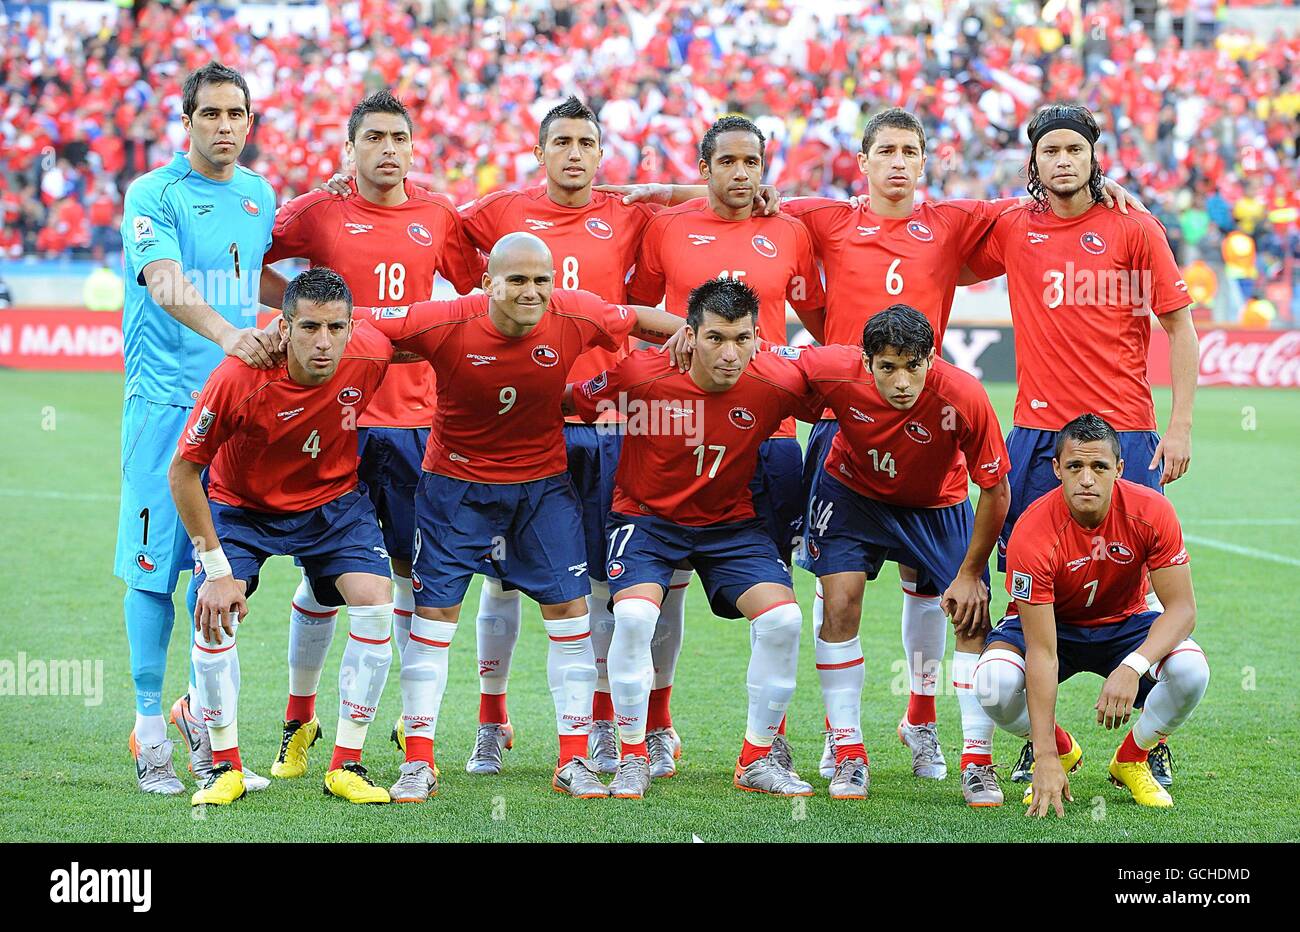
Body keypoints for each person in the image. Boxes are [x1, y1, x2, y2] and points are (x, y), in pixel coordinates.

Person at [358, 231, 686, 800]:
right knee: (434, 620)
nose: (530, 291)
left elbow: (633, 317)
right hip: (455, 490)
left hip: (542, 489)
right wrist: (280, 326)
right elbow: (359, 319)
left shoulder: (575, 313)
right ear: (487, 284)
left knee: (571, 615)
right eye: (516, 280)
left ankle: (573, 759)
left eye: (541, 280)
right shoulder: (445, 320)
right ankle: (418, 759)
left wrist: (689, 334)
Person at [962, 104, 1198, 786]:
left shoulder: (1135, 225)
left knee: (1141, 583)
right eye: (1049, 150)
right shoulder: (1011, 225)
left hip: (1125, 429)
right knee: (1030, 586)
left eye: (1074, 148)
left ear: (1097, 156)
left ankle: (1145, 740)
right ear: (1032, 161)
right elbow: (938, 245)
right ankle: (1046, 739)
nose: (1062, 159)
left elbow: (1179, 328)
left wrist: (1179, 425)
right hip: (1037, 438)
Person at [253, 89, 483, 781]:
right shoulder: (319, 210)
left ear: (413, 148)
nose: (388, 149)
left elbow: (476, 298)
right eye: (373, 137)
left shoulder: (438, 214)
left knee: (414, 576)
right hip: (332, 424)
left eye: (398, 138)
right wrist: (295, 318)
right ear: (348, 148)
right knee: (325, 583)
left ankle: (412, 722)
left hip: (413, 424)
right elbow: (242, 249)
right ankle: (300, 718)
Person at [623, 114, 826, 776]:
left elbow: (819, 319)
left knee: (775, 589)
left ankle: (770, 741)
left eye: (753, 163)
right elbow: (636, 311)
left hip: (769, 436)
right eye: (728, 162)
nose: (742, 173)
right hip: (683, 422)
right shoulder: (667, 226)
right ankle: (655, 728)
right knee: (668, 584)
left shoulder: (789, 229)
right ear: (703, 167)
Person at [564, 277, 820, 799]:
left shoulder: (775, 382)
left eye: (743, 339)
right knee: (635, 616)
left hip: (730, 526)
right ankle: (633, 754)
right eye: (716, 338)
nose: (731, 354)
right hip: (645, 521)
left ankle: (756, 759)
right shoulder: (641, 373)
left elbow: (839, 385)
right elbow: (574, 403)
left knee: (784, 621)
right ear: (689, 334)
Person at [169, 267, 406, 806]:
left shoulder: (370, 352)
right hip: (241, 507)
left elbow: (425, 341)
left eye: (335, 328)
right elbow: (182, 472)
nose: (323, 342)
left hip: (332, 502)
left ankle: (348, 763)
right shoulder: (238, 377)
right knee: (214, 610)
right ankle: (223, 767)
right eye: (308, 327)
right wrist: (216, 570)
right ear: (283, 326)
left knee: (375, 603)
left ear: (351, 326)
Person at [116, 61, 283, 794]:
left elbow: (252, 281)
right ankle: (149, 730)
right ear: (185, 122)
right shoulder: (152, 194)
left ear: (250, 122)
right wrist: (226, 333)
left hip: (235, 413)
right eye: (209, 114)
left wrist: (325, 305)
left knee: (221, 572)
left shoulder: (258, 196)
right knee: (155, 569)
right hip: (164, 409)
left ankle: (204, 725)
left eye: (235, 114)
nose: (223, 127)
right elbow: (165, 279)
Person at [795, 305, 1011, 804]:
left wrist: (972, 572)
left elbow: (996, 491)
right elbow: (761, 361)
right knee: (840, 605)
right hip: (852, 494)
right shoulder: (831, 367)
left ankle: (976, 761)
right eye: (887, 366)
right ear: (864, 361)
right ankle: (848, 749)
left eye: (913, 365)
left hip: (936, 503)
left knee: (971, 618)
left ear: (932, 358)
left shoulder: (964, 397)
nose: (900, 381)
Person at [974, 414, 1209, 814]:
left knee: (1192, 670)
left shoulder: (1153, 511)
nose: (1086, 479)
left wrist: (1132, 667)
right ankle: (1063, 751)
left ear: (1119, 468)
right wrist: (1045, 754)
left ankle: (1132, 758)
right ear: (1056, 469)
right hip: (1051, 628)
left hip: (1123, 623)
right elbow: (1043, 652)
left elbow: (1183, 610)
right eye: (1075, 466)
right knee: (992, 683)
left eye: (1099, 466)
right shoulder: (1031, 533)